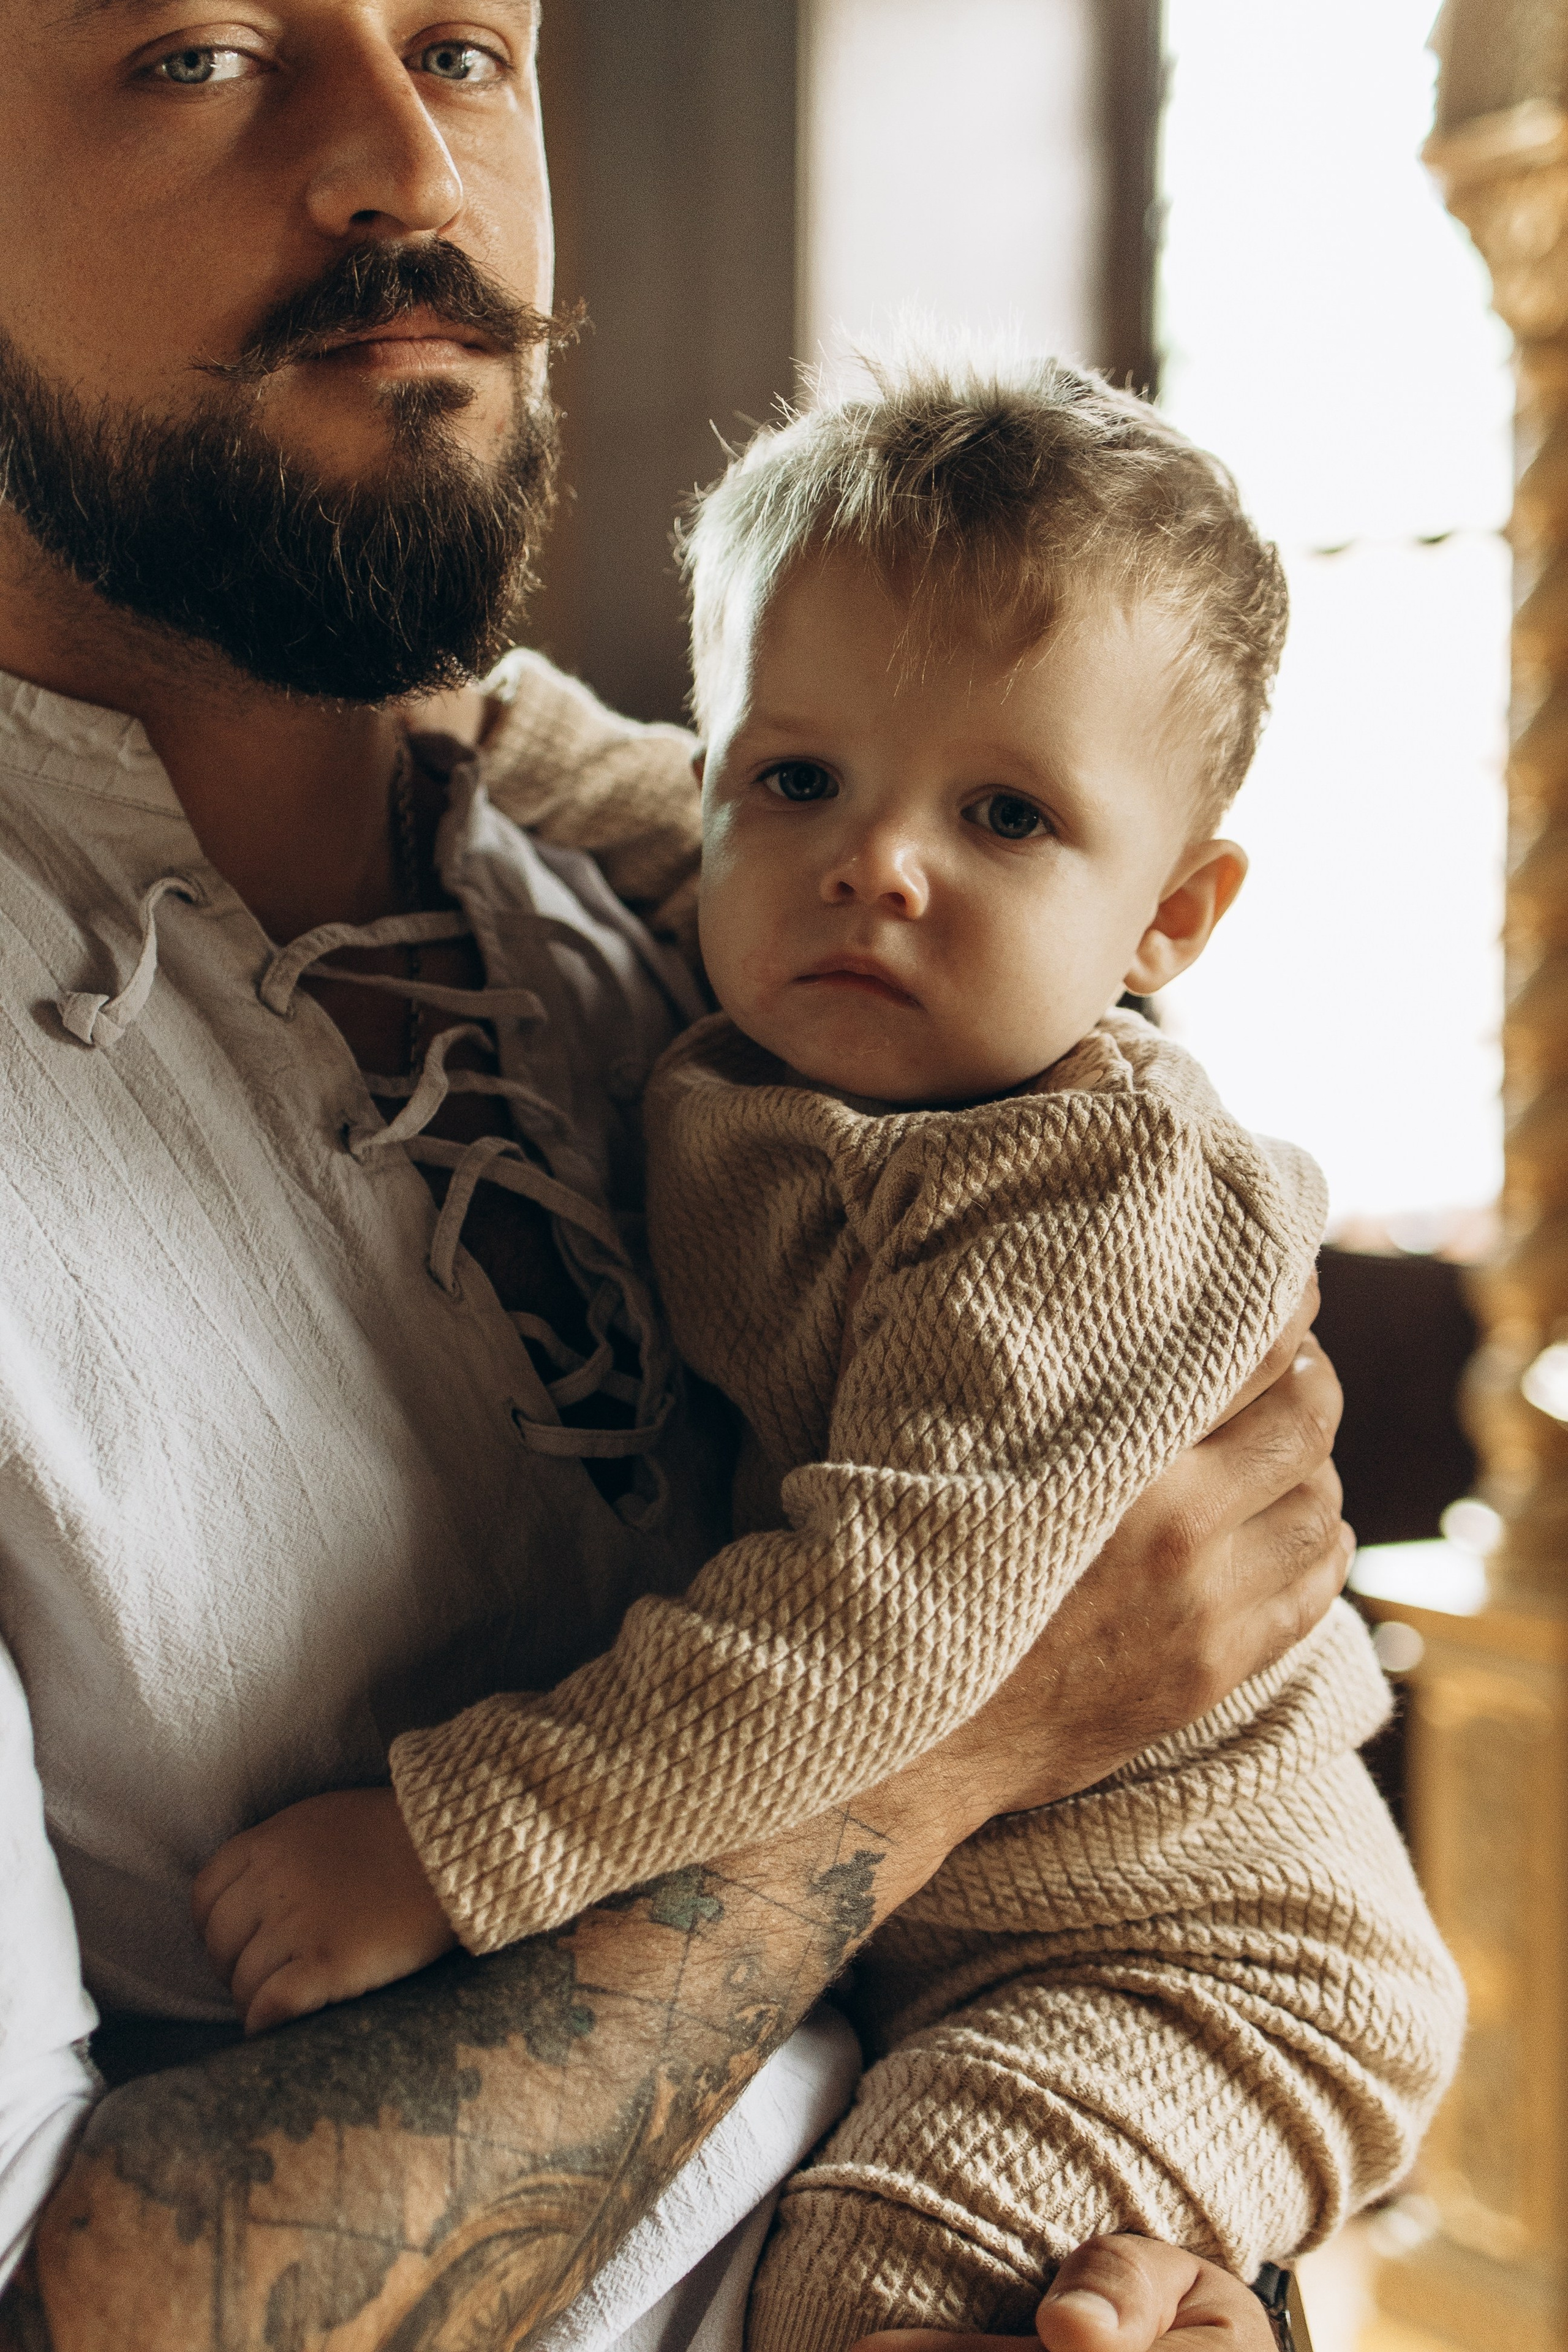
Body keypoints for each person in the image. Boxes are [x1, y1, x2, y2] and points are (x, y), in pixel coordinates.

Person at [0, 0, 1354, 2343]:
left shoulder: (688, 929)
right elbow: (107, 2310)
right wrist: (991, 1731)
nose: (407, 170)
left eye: (465, 47)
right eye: (203, 53)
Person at [192, 356, 1465, 2345]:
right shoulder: (802, 969)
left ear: (1174, 917)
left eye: (1010, 814)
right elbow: (641, 804)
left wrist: (459, 1845)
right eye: (801, 779)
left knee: (882, 2275)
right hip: (946, 1938)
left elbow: (879, 1626)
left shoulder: (1092, 1192)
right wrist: (448, 707)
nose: (878, 863)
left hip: (1187, 1955)